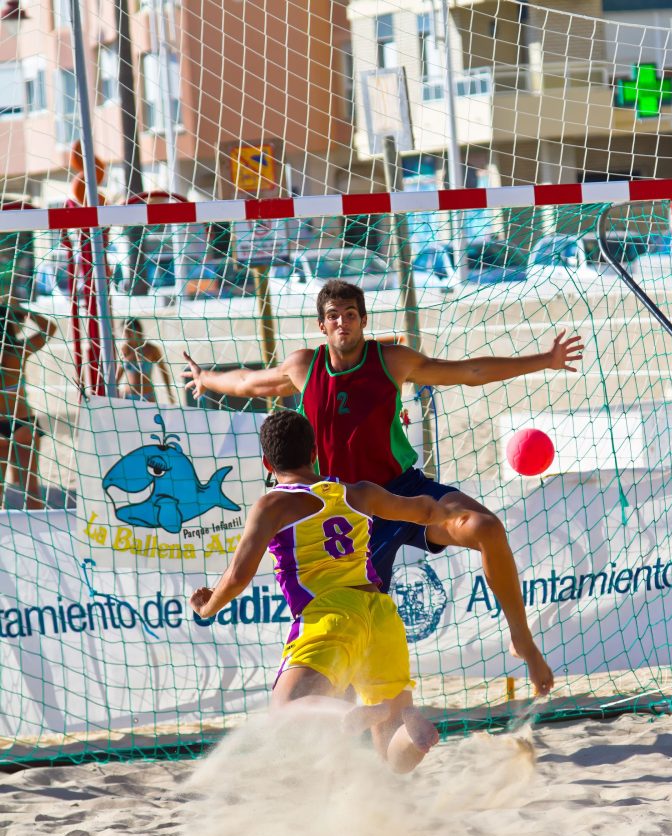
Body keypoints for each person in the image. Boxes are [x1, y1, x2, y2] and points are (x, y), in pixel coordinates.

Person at [184, 279, 585, 696]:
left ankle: (520, 637)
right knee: (360, 639)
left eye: (351, 315)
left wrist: (547, 360)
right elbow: (249, 384)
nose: (343, 322)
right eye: (334, 315)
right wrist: (206, 379)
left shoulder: (391, 360)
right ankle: (358, 718)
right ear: (322, 325)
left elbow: (470, 372)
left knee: (486, 527)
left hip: (401, 490)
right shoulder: (304, 366)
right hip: (347, 510)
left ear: (363, 321)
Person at [189, 408, 466, 773]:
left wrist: (208, 607)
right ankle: (412, 730)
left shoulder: (274, 503)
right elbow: (426, 510)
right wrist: (462, 516)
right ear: (315, 452)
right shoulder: (360, 493)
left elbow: (239, 576)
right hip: (380, 614)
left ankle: (354, 713)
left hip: (330, 613)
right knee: (393, 755)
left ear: (266, 462)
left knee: (286, 711)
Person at [0, 304, 56, 511]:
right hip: (23, 422)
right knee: (32, 492)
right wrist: (23, 310)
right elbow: (50, 328)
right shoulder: (19, 351)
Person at [118, 319, 177, 405]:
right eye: (124, 332)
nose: (126, 334)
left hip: (147, 397)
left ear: (138, 330)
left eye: (128, 331)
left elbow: (164, 372)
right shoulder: (125, 349)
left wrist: (169, 393)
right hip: (127, 397)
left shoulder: (151, 349)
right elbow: (118, 375)